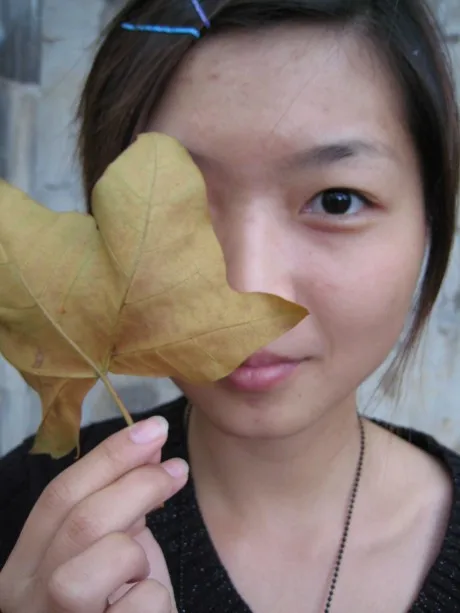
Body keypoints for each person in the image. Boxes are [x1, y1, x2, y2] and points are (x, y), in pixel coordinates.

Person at [1, 0, 459, 611]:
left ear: (430, 220)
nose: (247, 287)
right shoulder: (23, 526)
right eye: (181, 205)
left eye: (337, 200)